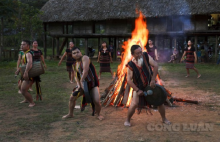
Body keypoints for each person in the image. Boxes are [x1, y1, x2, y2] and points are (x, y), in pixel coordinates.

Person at [124, 45, 170, 127]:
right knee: (134, 104)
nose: (140, 54)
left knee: (160, 102)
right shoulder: (130, 65)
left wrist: (153, 80)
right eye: (137, 53)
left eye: (140, 52)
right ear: (132, 54)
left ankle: (164, 119)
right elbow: (129, 80)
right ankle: (127, 120)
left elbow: (155, 65)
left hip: (150, 84)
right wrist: (137, 90)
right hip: (139, 87)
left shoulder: (145, 55)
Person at [62, 47, 104, 120]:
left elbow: (85, 70)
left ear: (80, 53)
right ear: (72, 55)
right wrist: (78, 84)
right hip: (82, 84)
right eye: (74, 53)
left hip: (92, 84)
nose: (76, 54)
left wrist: (81, 81)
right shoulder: (74, 64)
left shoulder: (85, 58)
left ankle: (99, 115)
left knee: (97, 101)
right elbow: (76, 76)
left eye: (78, 52)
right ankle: (70, 114)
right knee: (72, 98)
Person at [15, 40, 35, 107]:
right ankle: (26, 99)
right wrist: (18, 70)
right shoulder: (24, 53)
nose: (22, 46)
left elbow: (30, 63)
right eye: (21, 44)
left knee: (23, 90)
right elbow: (24, 64)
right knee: (20, 86)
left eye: (23, 44)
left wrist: (26, 72)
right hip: (24, 73)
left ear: (28, 46)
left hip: (29, 74)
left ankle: (32, 102)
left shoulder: (28, 53)